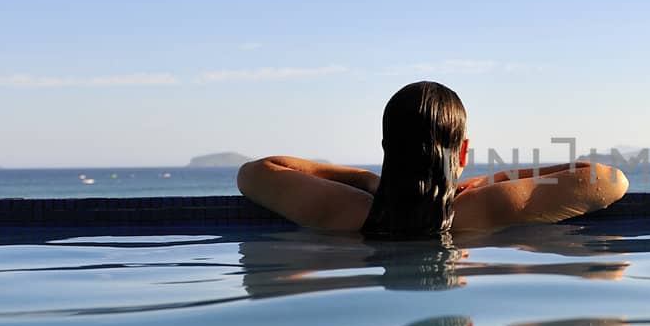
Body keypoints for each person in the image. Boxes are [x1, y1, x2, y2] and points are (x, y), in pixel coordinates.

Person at [236, 81, 629, 237]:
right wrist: (499, 178)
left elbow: (255, 172)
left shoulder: (341, 210)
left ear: (386, 145)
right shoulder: (484, 206)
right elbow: (610, 179)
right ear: (461, 152)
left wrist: (366, 180)